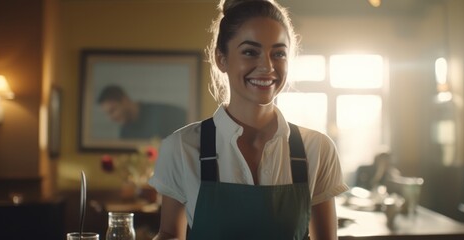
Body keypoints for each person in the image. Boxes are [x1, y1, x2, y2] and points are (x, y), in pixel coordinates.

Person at [148, 0, 348, 239]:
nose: (267, 66)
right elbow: (170, 234)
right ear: (221, 59)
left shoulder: (317, 149)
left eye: (279, 53)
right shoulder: (181, 147)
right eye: (250, 52)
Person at [97, 85, 187, 139]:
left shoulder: (163, 113)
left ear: (124, 101)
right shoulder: (124, 133)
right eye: (107, 114)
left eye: (113, 110)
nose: (111, 118)